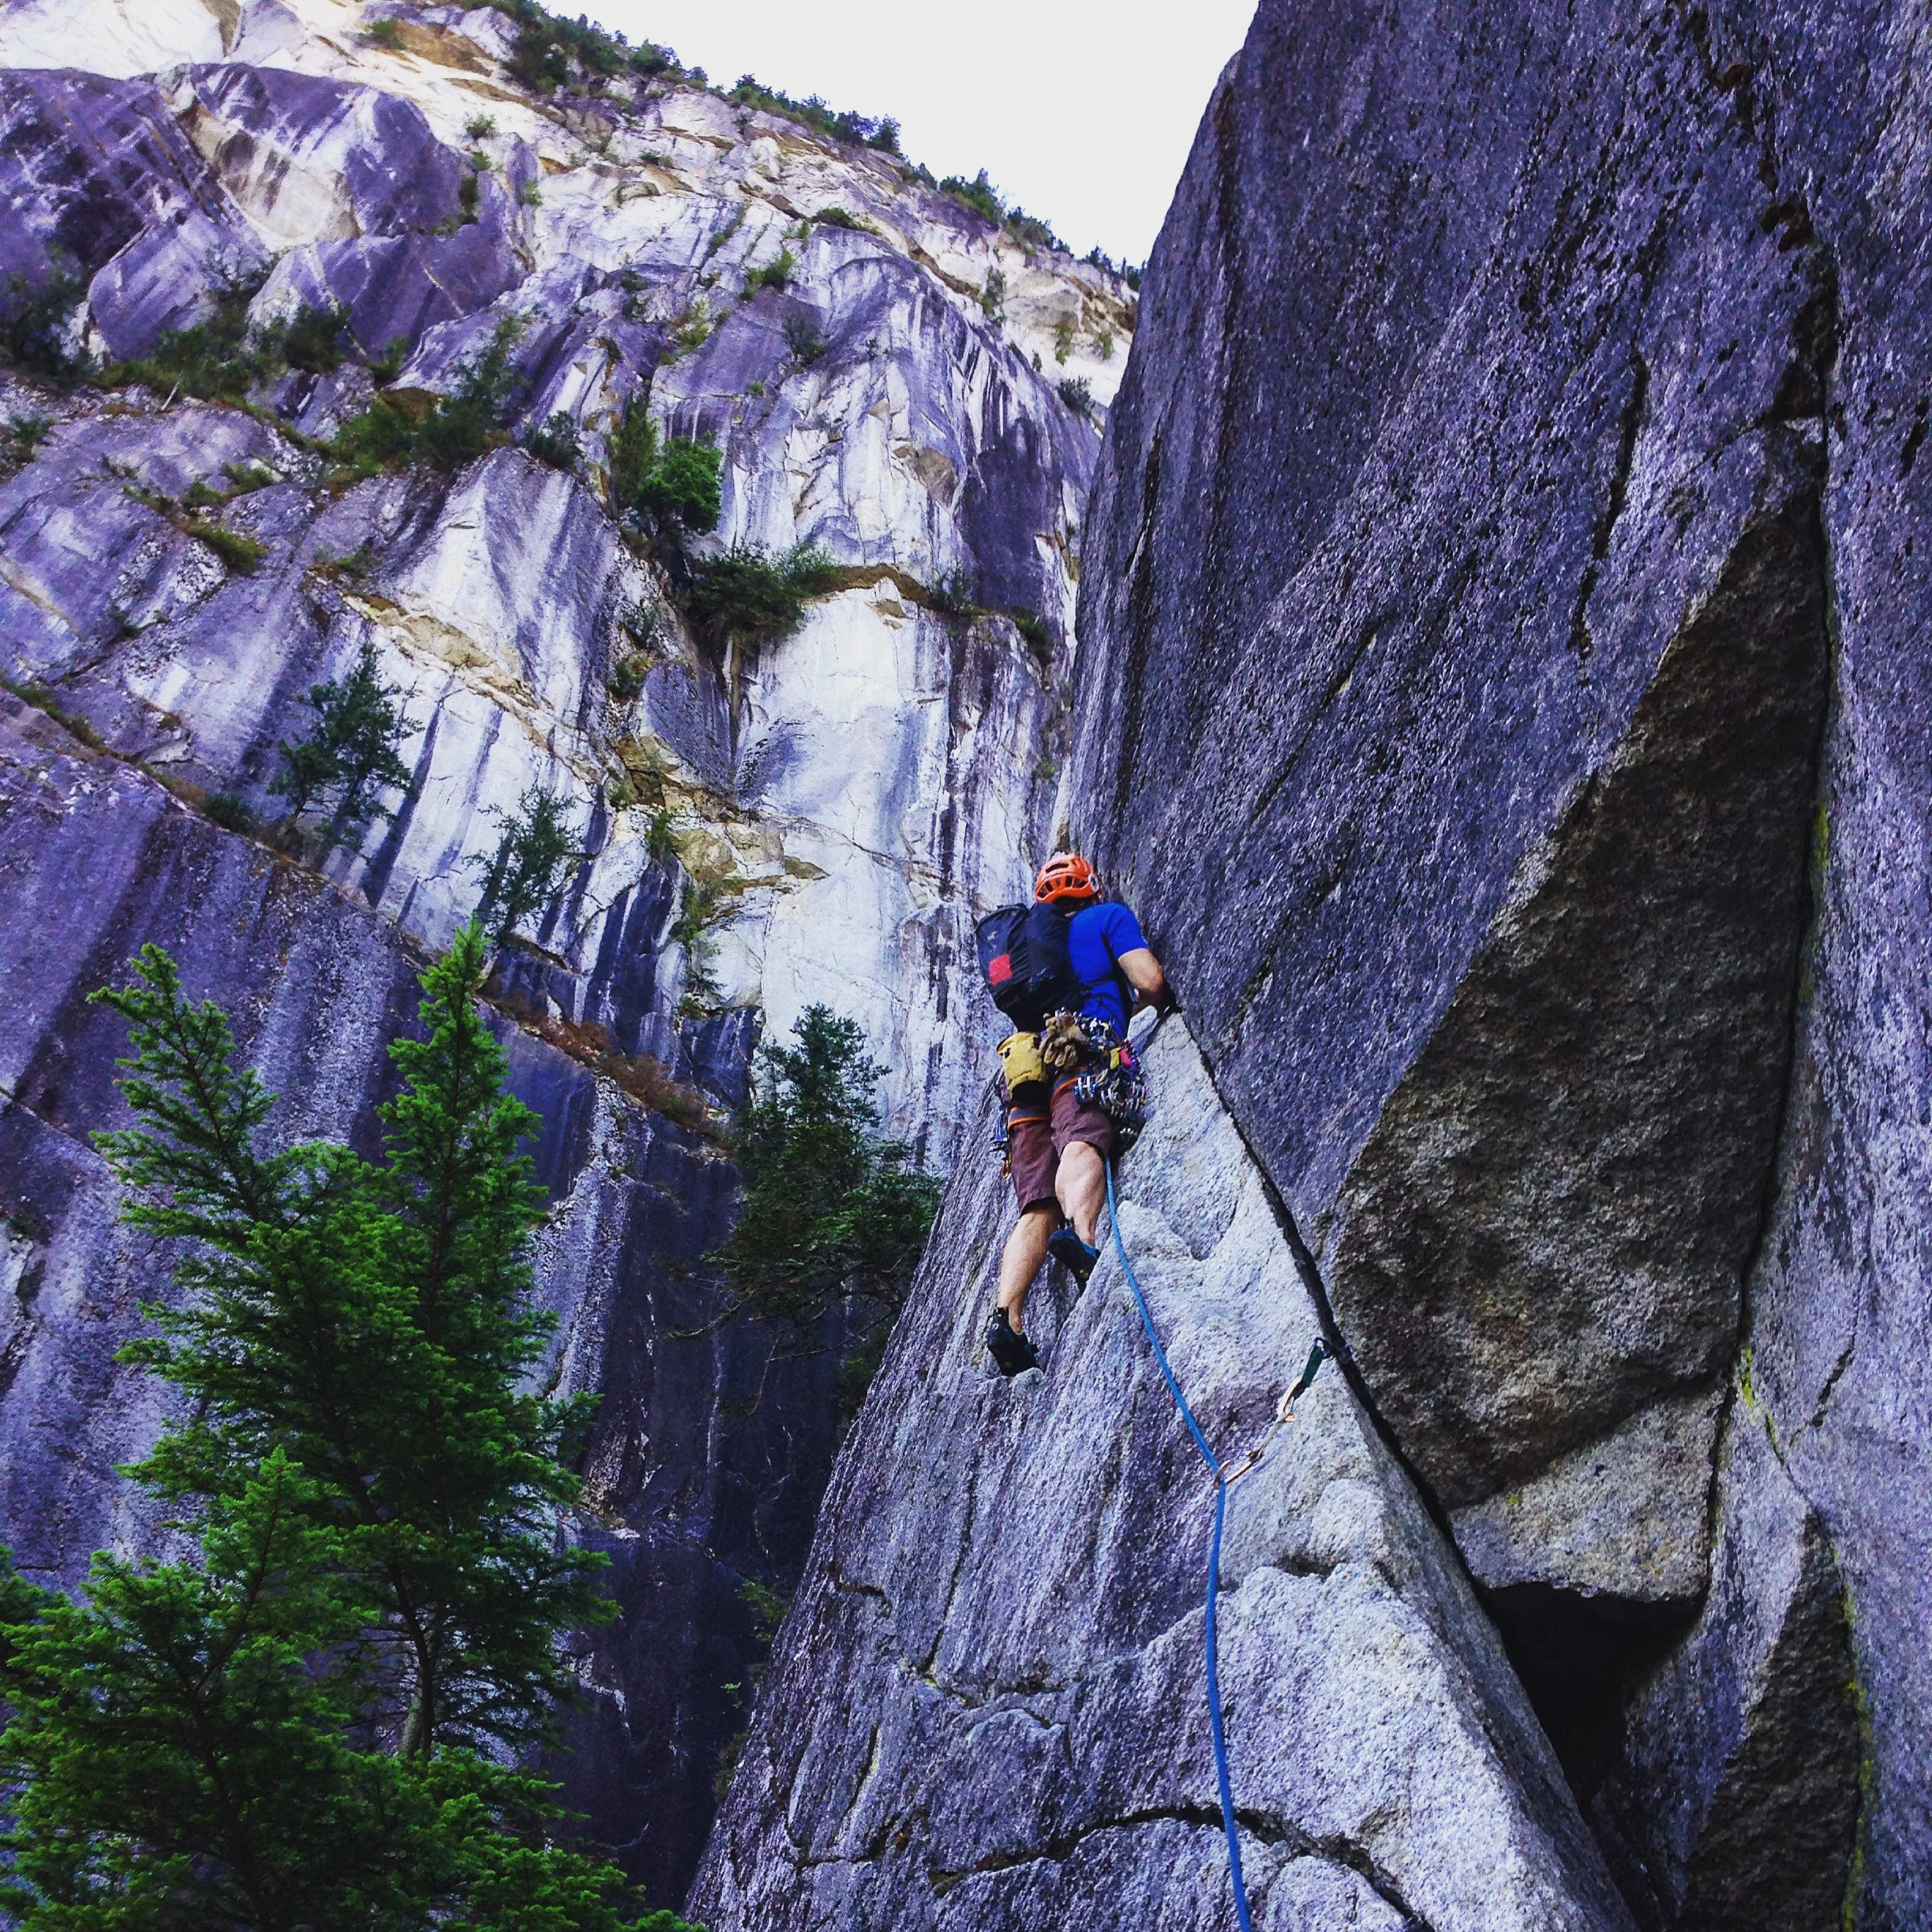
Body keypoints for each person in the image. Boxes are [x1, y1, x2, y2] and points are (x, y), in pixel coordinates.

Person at [984, 852, 1170, 1376]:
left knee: (1036, 1205)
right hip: (1080, 1047)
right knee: (1081, 1138)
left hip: (1024, 1071)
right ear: (1091, 888)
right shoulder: (1105, 917)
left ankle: (1009, 1317)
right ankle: (1084, 1240)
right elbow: (1148, 979)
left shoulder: (1028, 953)